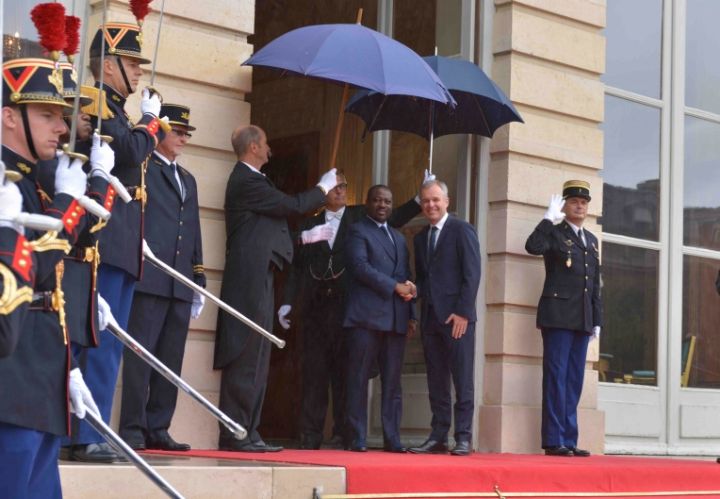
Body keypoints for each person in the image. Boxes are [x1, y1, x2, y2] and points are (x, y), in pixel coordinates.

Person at [64, 21, 168, 462]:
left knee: (109, 344)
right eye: (131, 63)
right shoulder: (95, 102)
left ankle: (92, 429)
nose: (138, 73)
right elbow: (131, 151)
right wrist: (150, 122)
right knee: (96, 342)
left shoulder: (115, 110)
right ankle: (84, 433)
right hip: (101, 241)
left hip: (123, 243)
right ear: (108, 67)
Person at [0, 57, 99, 498]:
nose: (61, 127)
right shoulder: (7, 183)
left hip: (40, 373)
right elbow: (22, 275)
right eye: (47, 115)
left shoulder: (34, 182)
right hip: (10, 380)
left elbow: (50, 286)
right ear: (8, 116)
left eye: (62, 116)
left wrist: (68, 366)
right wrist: (68, 207)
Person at [279, 172, 427, 450]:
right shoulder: (310, 223)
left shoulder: (361, 217)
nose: (339, 191)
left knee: (346, 374)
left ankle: (344, 433)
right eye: (334, 186)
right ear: (322, 190)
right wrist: (288, 299)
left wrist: (419, 200)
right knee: (314, 373)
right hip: (316, 306)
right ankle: (310, 435)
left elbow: (391, 219)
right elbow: (296, 266)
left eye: (344, 186)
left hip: (348, 306)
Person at [214, 124, 338, 452]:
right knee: (245, 354)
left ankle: (249, 431)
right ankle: (237, 433)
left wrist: (302, 238)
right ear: (253, 147)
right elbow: (292, 206)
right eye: (266, 143)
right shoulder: (246, 180)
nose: (270, 149)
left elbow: (266, 230)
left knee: (257, 356)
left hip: (260, 277)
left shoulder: (255, 181)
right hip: (248, 282)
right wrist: (321, 188)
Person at [119, 103, 205, 451]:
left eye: (187, 133)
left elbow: (194, 229)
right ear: (161, 131)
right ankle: (133, 428)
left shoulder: (188, 178)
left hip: (179, 280)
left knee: (170, 358)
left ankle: (159, 426)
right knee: (142, 357)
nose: (183, 137)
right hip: (150, 275)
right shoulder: (144, 167)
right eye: (178, 131)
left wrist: (198, 275)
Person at [525, 180, 602, 457]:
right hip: (557, 316)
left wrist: (597, 319)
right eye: (573, 201)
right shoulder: (555, 233)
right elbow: (532, 246)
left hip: (582, 318)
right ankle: (553, 439)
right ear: (565, 205)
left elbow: (594, 284)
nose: (579, 205)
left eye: (583, 202)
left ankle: (569, 438)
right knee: (556, 378)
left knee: (573, 381)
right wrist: (547, 219)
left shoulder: (591, 241)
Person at [408, 180, 481, 456]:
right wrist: (413, 291)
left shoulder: (462, 230)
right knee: (436, 381)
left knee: (462, 380)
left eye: (436, 200)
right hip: (431, 320)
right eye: (426, 201)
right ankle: (438, 436)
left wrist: (463, 312)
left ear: (447, 201)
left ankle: (463, 437)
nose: (431, 205)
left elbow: (472, 274)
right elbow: (426, 280)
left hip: (457, 320)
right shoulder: (420, 237)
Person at [343, 184, 416, 453]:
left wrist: (412, 312)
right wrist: (394, 287)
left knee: (393, 383)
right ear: (367, 203)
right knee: (358, 379)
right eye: (377, 200)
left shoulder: (398, 238)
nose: (382, 205)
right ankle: (357, 437)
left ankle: (392, 438)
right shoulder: (357, 230)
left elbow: (405, 274)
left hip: (395, 320)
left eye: (387, 201)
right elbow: (360, 268)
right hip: (365, 317)